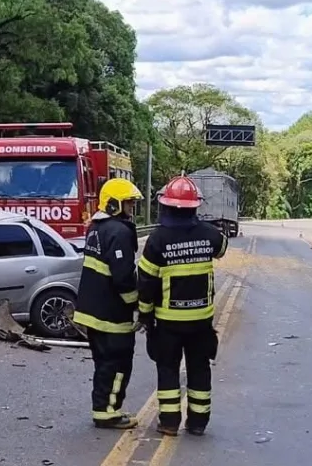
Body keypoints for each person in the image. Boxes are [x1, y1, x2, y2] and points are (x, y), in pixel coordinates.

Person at [137, 175, 227, 437]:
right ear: (194, 207)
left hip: (168, 322)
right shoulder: (209, 235)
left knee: (168, 370)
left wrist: (144, 315)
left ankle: (168, 422)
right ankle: (198, 423)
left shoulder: (156, 240)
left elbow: (146, 282)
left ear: (166, 206)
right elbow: (222, 249)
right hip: (201, 321)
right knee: (199, 369)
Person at [73, 177, 144, 430]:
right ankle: (109, 412)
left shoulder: (96, 227)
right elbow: (123, 277)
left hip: (91, 313)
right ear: (114, 204)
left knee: (103, 364)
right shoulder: (119, 231)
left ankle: (102, 408)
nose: (131, 209)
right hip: (111, 315)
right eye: (128, 204)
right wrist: (137, 305)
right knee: (118, 364)